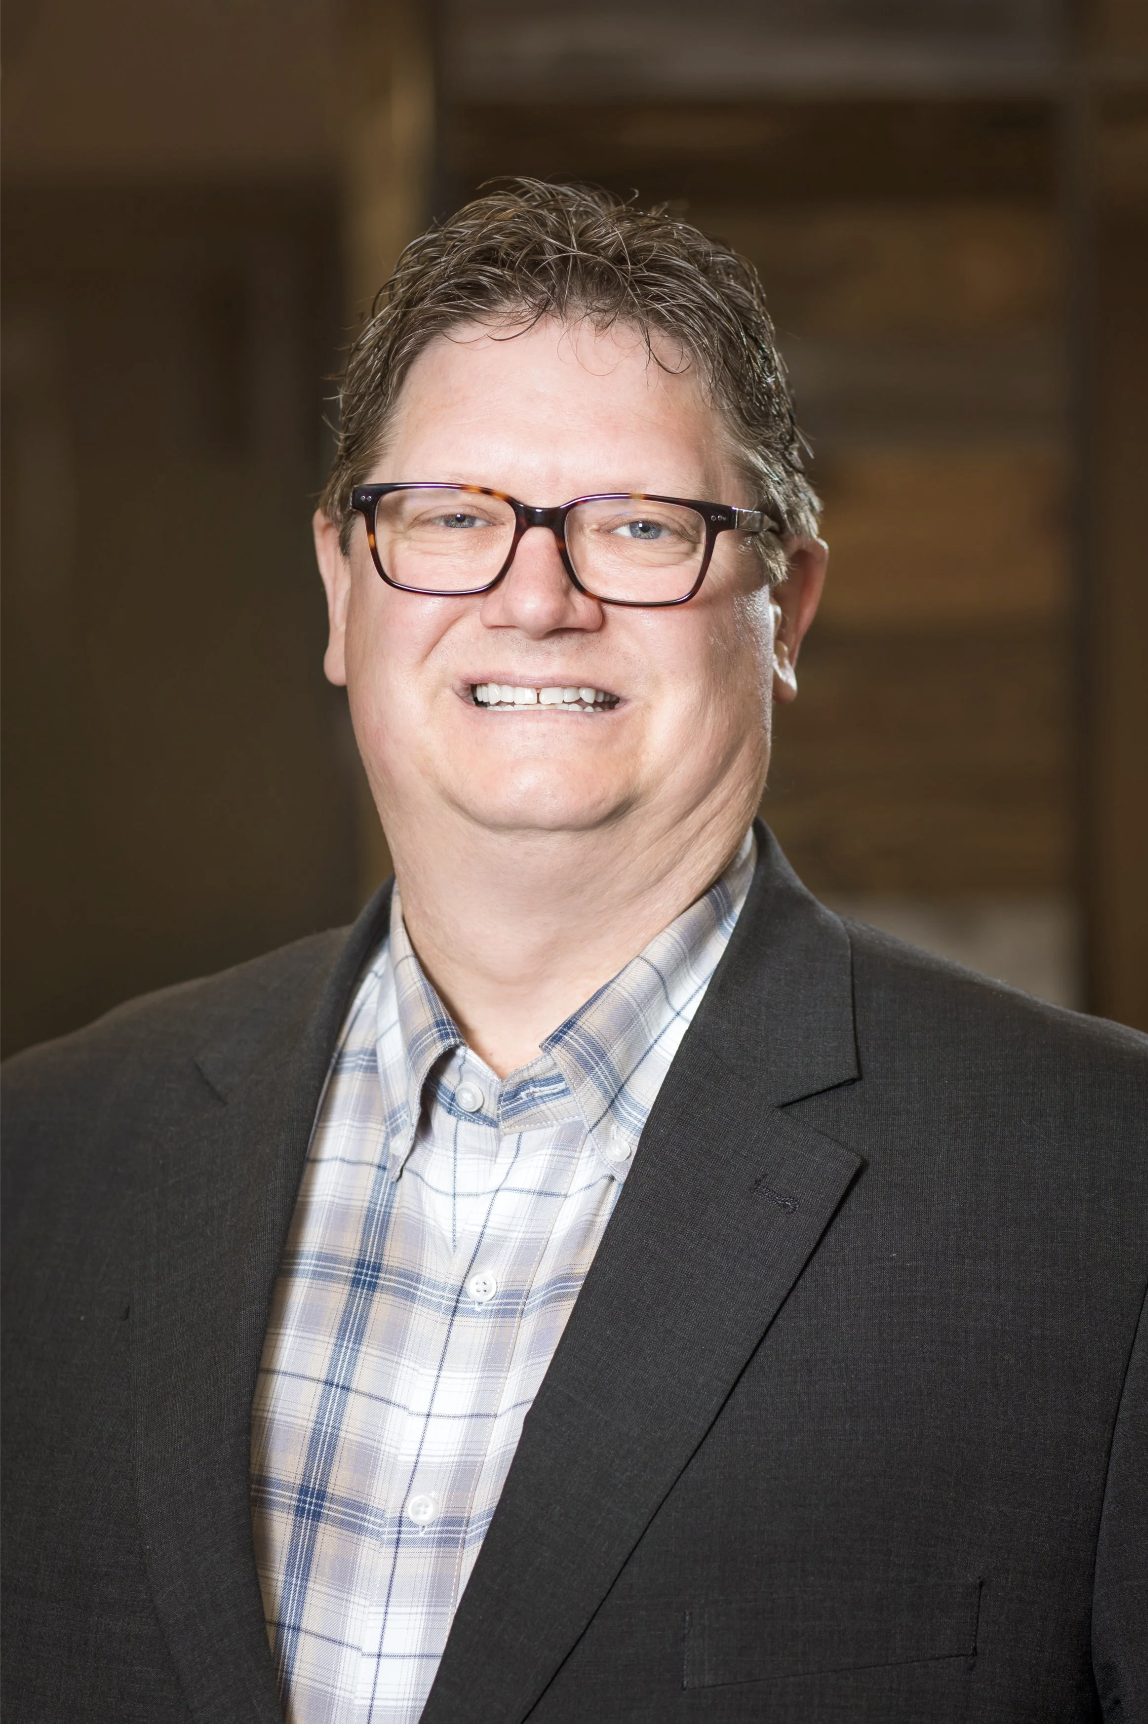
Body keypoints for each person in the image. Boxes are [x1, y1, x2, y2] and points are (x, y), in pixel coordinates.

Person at [2, 179, 1145, 1724]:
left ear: (784, 604)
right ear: (344, 590)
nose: (536, 598)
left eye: (640, 527)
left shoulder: (1104, 1194)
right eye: (454, 519)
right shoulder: (45, 1159)